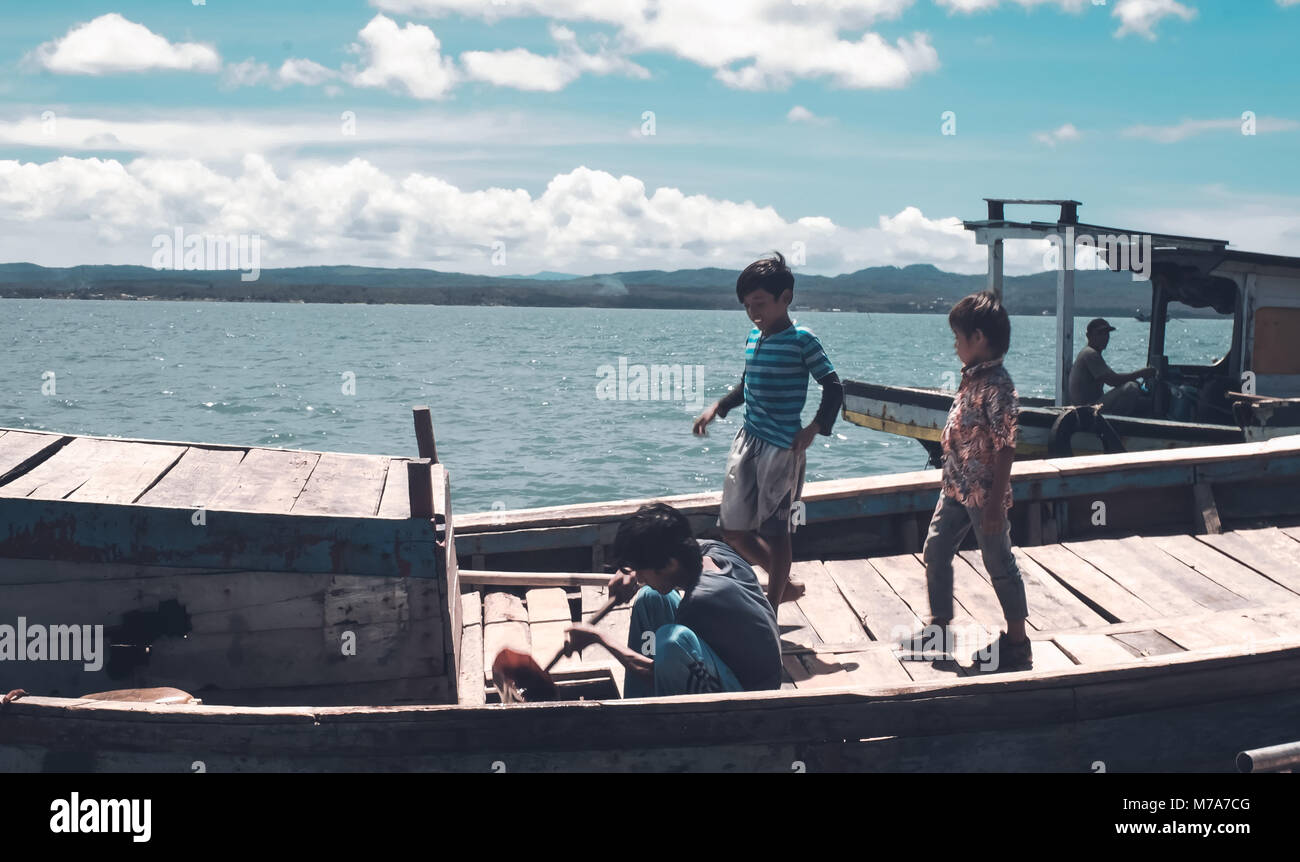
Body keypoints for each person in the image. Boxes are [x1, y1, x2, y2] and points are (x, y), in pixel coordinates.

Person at [691, 252, 843, 607]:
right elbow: (747, 386)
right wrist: (718, 407)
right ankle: (783, 583)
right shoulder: (752, 338)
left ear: (785, 298)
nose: (753, 312)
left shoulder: (802, 339)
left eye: (759, 303)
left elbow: (833, 386)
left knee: (777, 531)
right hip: (748, 442)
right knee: (732, 530)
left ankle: (771, 606)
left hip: (781, 447)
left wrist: (815, 428)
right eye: (746, 305)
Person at [901, 291, 1031, 673]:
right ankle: (939, 628)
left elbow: (1007, 446)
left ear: (978, 339)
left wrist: (994, 505)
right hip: (955, 487)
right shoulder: (971, 379)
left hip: (982, 494)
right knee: (936, 550)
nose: (955, 345)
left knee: (998, 561)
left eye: (959, 337)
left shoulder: (998, 386)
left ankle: (1018, 642)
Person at [563, 503, 782, 697]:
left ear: (670, 565)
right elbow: (675, 543)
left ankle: (669, 719)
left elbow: (657, 672)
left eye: (642, 572)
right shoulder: (714, 550)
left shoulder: (699, 602)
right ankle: (640, 705)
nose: (639, 579)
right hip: (735, 666)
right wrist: (629, 569)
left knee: (671, 641)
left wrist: (600, 639)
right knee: (650, 598)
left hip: (751, 698)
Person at [1068, 318, 1155, 416]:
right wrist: (1141, 373)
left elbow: (1113, 376)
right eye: (1100, 333)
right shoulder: (1090, 354)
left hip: (1088, 407)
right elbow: (1113, 381)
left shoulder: (1090, 353)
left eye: (1107, 333)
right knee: (1131, 388)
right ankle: (1117, 425)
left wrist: (1136, 378)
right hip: (1087, 410)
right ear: (1089, 336)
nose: (1105, 337)